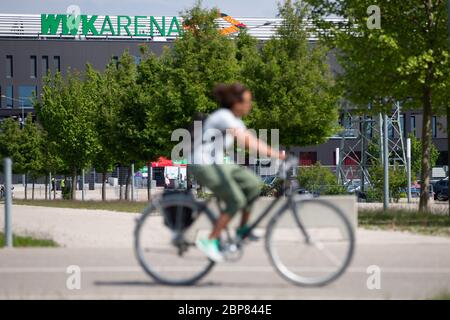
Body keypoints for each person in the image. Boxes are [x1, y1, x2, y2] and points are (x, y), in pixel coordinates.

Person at [192, 83, 285, 262]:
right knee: (236, 199)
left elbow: (251, 139)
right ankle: (210, 240)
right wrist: (277, 155)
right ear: (236, 103)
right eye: (247, 102)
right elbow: (246, 142)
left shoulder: (236, 121)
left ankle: (243, 230)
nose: (250, 105)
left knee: (252, 184)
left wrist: (276, 154)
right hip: (204, 164)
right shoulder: (224, 117)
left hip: (218, 163)